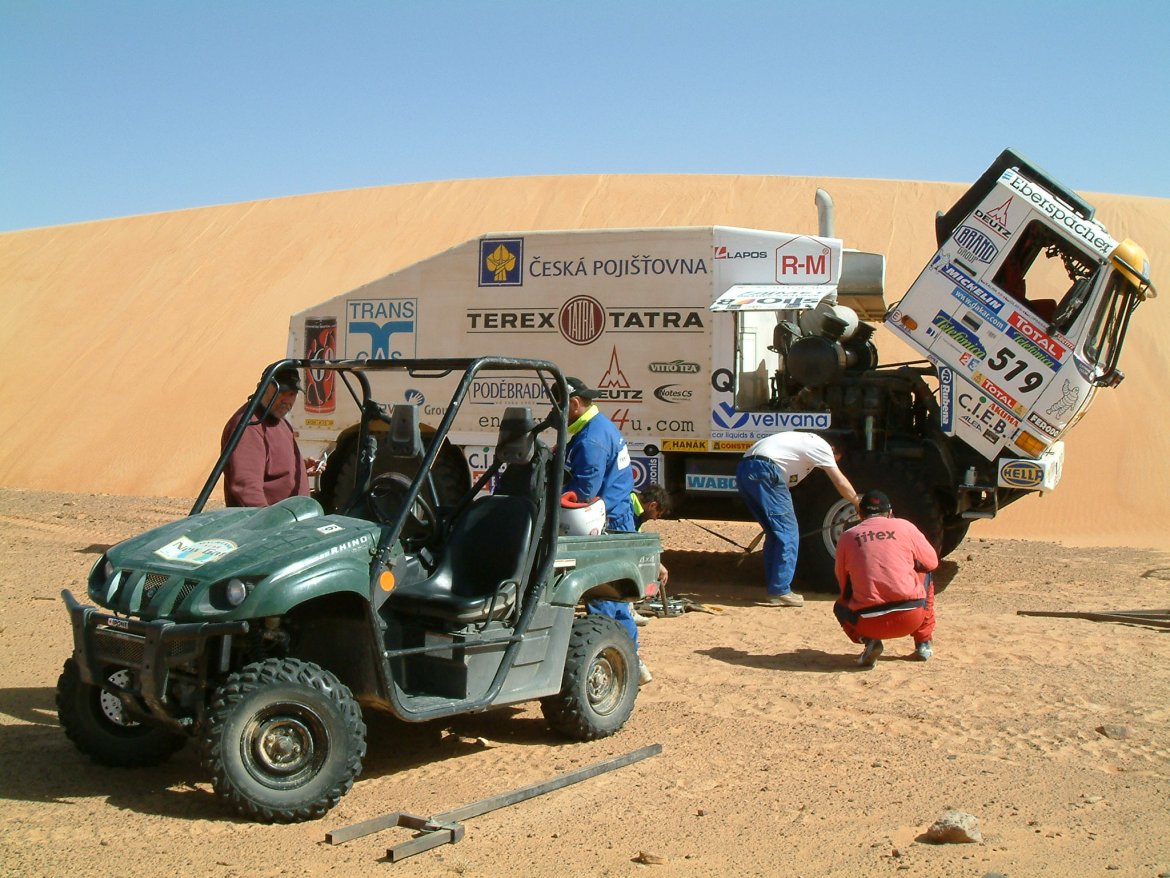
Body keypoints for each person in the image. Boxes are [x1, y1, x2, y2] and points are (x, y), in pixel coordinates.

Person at [560, 376, 650, 684]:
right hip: (615, 513)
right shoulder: (596, 428)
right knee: (611, 597)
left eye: (559, 405)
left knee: (604, 595)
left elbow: (584, 490)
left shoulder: (591, 440)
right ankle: (631, 658)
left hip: (607, 520)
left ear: (574, 404)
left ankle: (628, 660)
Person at [736, 431, 859, 607]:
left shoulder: (801, 443)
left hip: (745, 470)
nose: (826, 465)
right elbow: (839, 481)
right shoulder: (822, 446)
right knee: (788, 533)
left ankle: (776, 588)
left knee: (775, 533)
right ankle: (780, 591)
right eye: (834, 459)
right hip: (767, 471)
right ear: (833, 449)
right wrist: (856, 502)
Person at [833, 489, 939, 667]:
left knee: (840, 606)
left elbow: (842, 582)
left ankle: (868, 641)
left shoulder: (847, 536)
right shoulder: (905, 526)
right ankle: (923, 642)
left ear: (860, 514)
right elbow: (932, 562)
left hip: (867, 622)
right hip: (911, 617)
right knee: (925, 572)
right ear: (890, 512)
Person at [221, 367, 322, 507]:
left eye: (292, 394)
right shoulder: (250, 426)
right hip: (271, 524)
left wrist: (300, 469)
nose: (286, 400)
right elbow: (246, 487)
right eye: (281, 393)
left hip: (291, 521)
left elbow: (268, 466)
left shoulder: (278, 421)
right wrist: (267, 523)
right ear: (263, 388)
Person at [630, 483, 671, 627]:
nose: (655, 519)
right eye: (657, 515)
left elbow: (639, 544)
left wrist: (658, 565)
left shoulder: (636, 512)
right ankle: (627, 610)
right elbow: (630, 547)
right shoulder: (627, 508)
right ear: (652, 505)